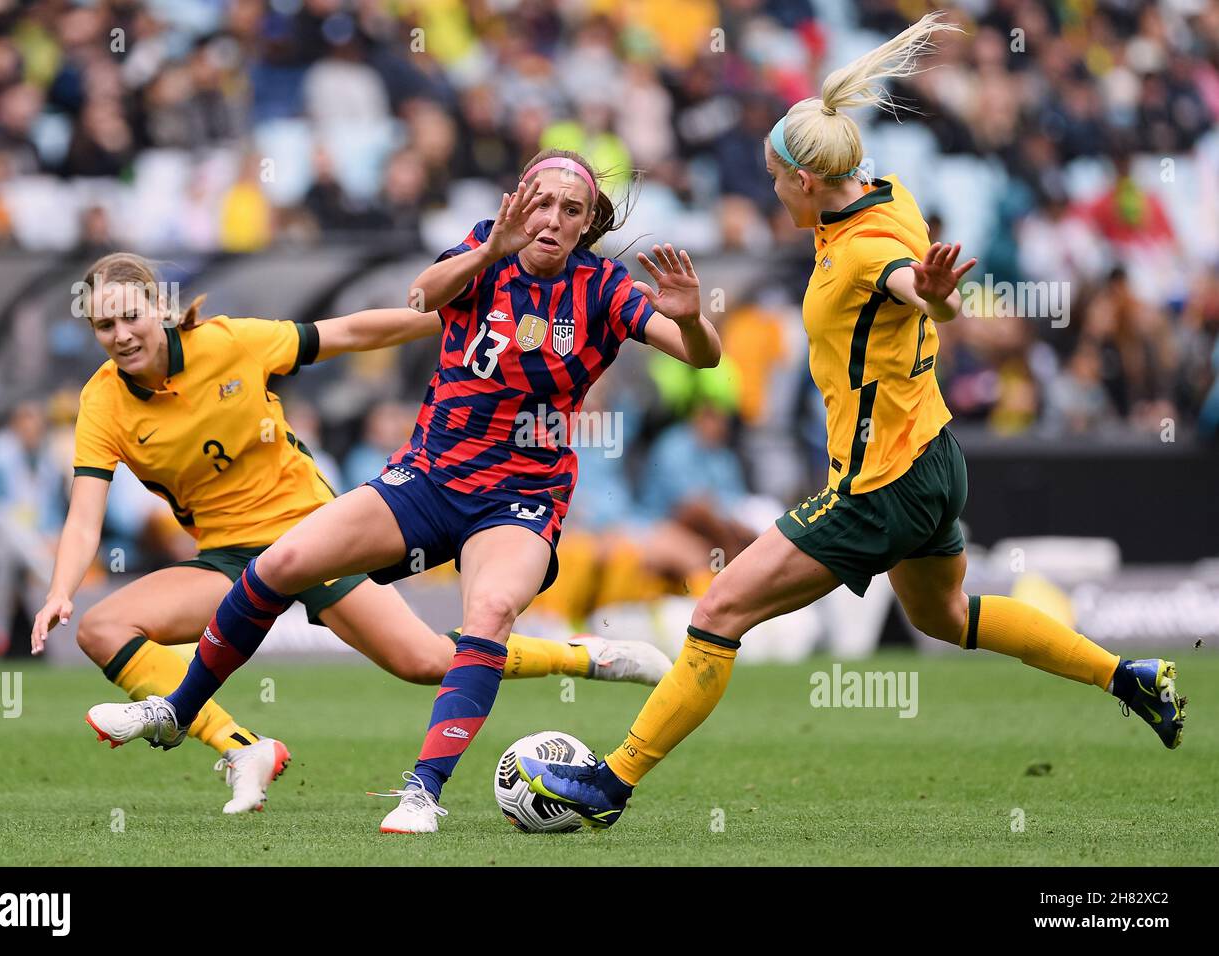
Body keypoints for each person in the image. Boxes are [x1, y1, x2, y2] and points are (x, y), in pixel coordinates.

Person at [517, 13, 1188, 830]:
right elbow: (903, 264)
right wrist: (925, 287)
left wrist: (936, 293)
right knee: (947, 616)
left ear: (804, 181)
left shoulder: (865, 254)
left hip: (879, 485)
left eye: (774, 178)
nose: (770, 192)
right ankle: (1130, 677)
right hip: (937, 458)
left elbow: (911, 284)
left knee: (718, 612)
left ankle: (610, 784)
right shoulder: (886, 195)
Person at [86, 148, 722, 833]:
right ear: (518, 203)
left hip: (521, 493)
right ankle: (180, 710)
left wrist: (688, 318)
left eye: (571, 210)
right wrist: (489, 252)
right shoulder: (485, 246)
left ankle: (423, 791)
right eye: (541, 203)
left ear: (586, 222)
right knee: (281, 564)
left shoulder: (605, 288)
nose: (553, 219)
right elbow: (423, 297)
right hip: (428, 475)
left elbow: (702, 354)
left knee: (489, 613)